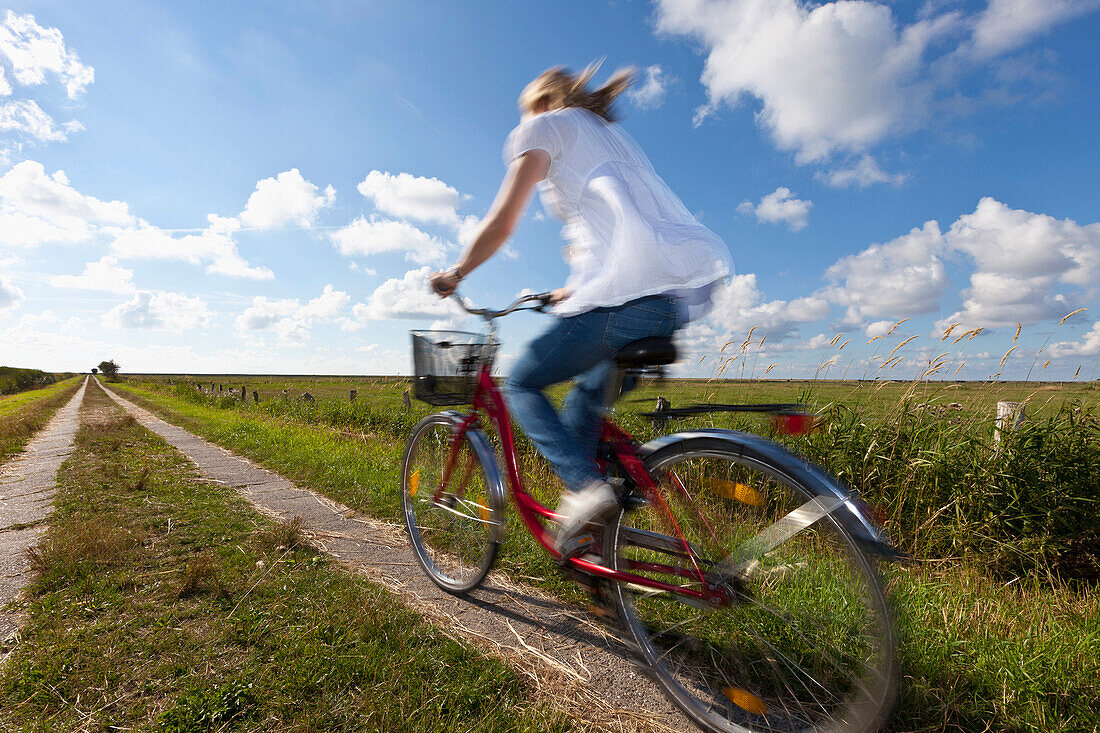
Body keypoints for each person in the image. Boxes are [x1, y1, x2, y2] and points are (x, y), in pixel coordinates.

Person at [431, 64, 731, 559]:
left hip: (622, 304)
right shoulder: (612, 138)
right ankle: (595, 550)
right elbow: (618, 227)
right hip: (666, 303)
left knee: (522, 384)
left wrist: (456, 274)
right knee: (582, 415)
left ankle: (587, 492)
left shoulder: (546, 124)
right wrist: (568, 291)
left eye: (526, 108)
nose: (525, 119)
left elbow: (504, 222)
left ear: (543, 103)